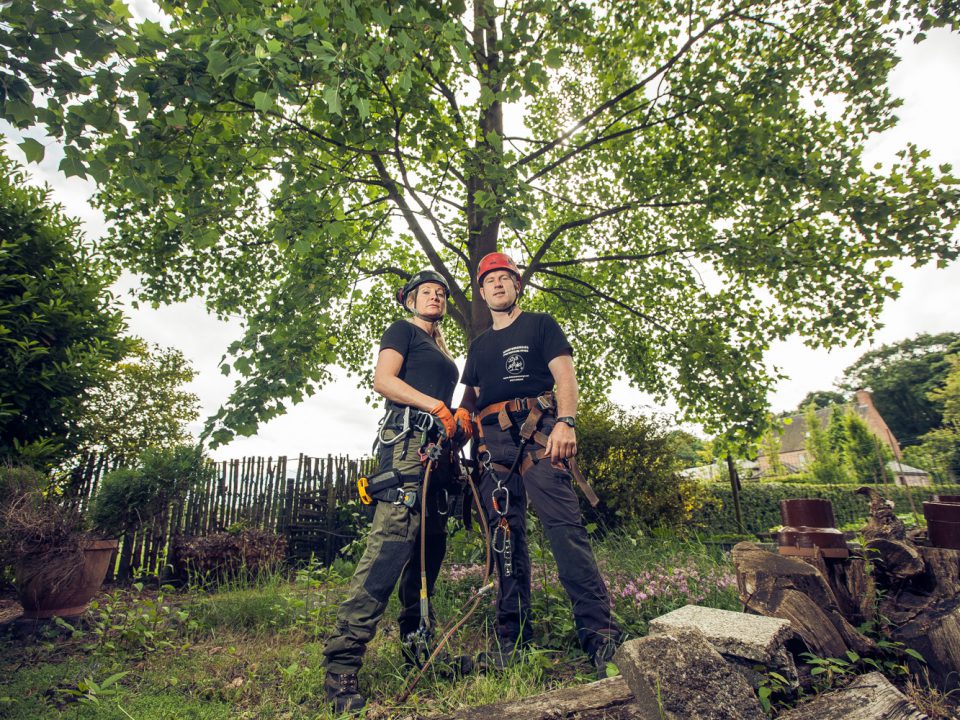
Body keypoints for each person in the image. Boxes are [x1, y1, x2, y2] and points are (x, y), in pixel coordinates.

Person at [460, 252, 621, 677]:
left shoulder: (541, 325)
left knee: (565, 531)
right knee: (505, 539)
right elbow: (471, 397)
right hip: (492, 444)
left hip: (539, 434)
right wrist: (462, 424)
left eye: (505, 279)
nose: (497, 285)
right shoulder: (478, 346)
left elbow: (565, 376)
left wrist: (567, 422)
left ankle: (600, 635)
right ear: (481, 291)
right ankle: (512, 639)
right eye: (489, 281)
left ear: (517, 286)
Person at [323, 269, 473, 712]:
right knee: (390, 546)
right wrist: (435, 406)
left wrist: (458, 420)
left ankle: (418, 648)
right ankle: (342, 664)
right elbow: (384, 381)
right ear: (409, 300)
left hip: (438, 455)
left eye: (441, 293)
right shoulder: (402, 331)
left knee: (429, 552)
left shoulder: (441, 350)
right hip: (406, 448)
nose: (435, 296)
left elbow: (442, 402)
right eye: (426, 291)